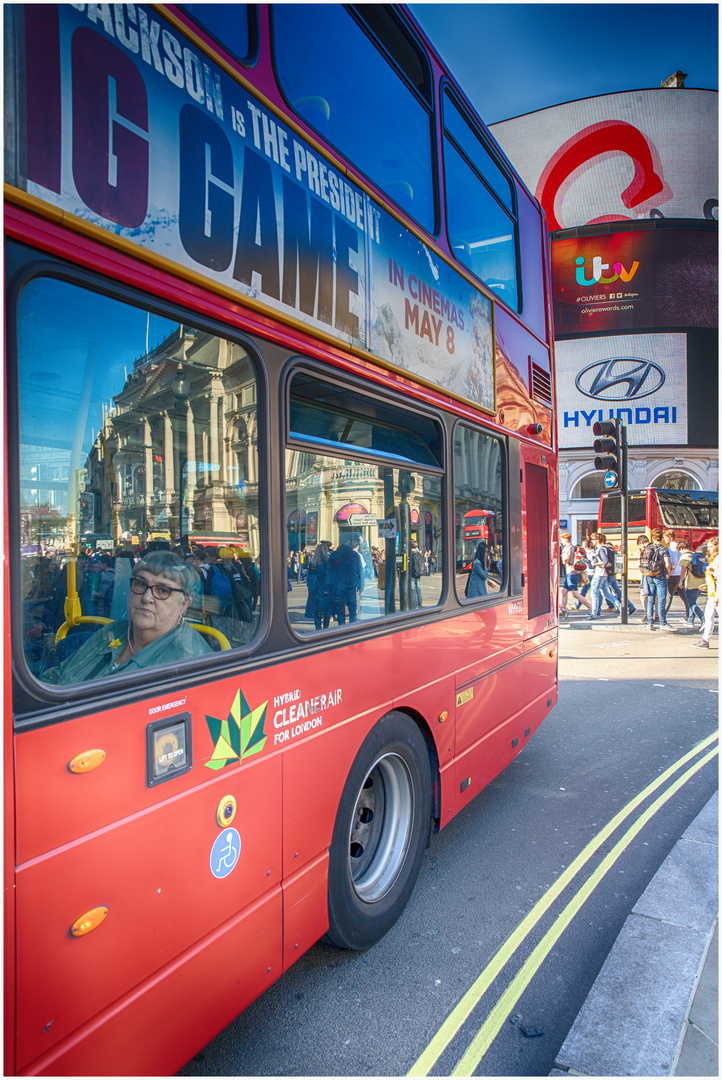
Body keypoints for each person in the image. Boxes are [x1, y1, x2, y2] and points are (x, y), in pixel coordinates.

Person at [42, 551, 212, 684]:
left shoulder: (189, 661)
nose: (146, 598)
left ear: (184, 604)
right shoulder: (113, 630)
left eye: (162, 590)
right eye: (140, 583)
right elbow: (58, 676)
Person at [640, 527, 675, 631]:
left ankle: (650, 622)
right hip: (660, 576)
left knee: (650, 598)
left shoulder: (648, 548)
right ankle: (662, 622)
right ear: (661, 538)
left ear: (652, 537)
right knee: (661, 599)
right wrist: (668, 572)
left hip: (649, 575)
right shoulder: (663, 548)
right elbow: (668, 563)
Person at [690, 537, 719, 649]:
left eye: (711, 547)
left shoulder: (718, 559)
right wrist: (707, 586)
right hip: (713, 593)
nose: (709, 549)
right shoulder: (714, 558)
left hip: (716, 594)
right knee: (708, 616)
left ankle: (705, 640)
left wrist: (717, 595)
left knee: (710, 617)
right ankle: (705, 640)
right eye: (708, 547)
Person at [558, 532, 591, 617]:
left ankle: (591, 608)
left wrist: (561, 558)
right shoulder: (571, 547)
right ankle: (563, 609)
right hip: (571, 573)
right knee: (564, 591)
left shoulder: (568, 548)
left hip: (572, 573)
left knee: (575, 594)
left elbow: (566, 560)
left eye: (562, 540)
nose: (561, 541)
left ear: (566, 539)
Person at [677, 540, 706, 629]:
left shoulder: (685, 557)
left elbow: (683, 571)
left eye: (680, 550)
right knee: (693, 601)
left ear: (682, 549)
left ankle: (704, 619)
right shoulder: (696, 555)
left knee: (691, 603)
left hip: (691, 583)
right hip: (701, 582)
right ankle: (690, 621)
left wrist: (681, 581)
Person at [663, 530, 682, 614]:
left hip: (673, 574)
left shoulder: (672, 547)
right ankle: (689, 615)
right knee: (684, 596)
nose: (664, 539)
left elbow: (673, 562)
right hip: (678, 573)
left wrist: (669, 572)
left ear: (671, 538)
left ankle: (662, 615)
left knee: (668, 595)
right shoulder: (677, 546)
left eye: (666, 537)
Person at [410, 541, 424, 607]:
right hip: (418, 573)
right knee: (418, 588)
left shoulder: (411, 554)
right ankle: (420, 604)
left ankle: (415, 605)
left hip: (412, 573)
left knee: (413, 589)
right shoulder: (418, 554)